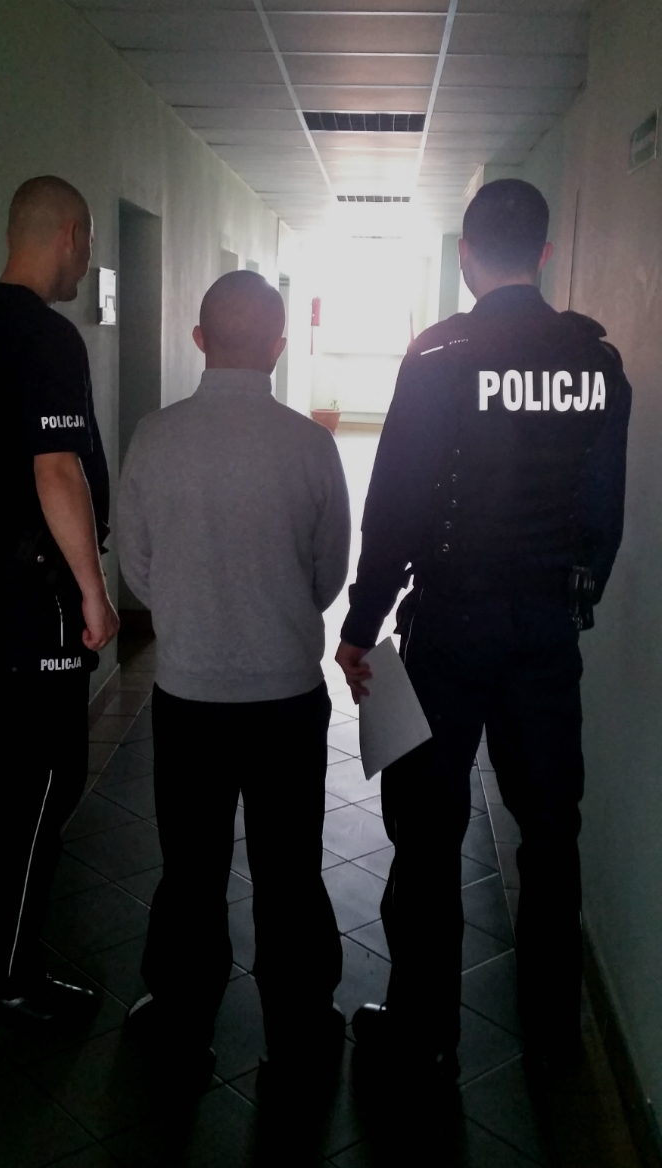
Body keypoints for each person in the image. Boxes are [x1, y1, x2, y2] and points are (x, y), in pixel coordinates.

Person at [336, 179, 632, 1079]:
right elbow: (603, 513)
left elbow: (396, 505)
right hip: (544, 629)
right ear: (543, 254)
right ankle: (552, 1037)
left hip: (449, 627)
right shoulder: (596, 365)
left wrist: (361, 620)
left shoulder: (437, 357)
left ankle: (425, 1032)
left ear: (466, 255)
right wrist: (573, 596)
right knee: (550, 829)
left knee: (428, 831)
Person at [117, 270, 351, 1084]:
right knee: (290, 871)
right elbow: (329, 574)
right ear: (280, 348)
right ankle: (300, 1027)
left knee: (191, 870)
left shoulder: (154, 437)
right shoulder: (312, 445)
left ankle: (181, 1021)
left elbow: (138, 570)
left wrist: (195, 614)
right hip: (288, 696)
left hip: (189, 695)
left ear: (198, 341)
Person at [0, 176, 120, 1019]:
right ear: (70, 234)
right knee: (46, 775)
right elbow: (56, 471)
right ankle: (8, 974)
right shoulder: (45, 336)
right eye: (88, 243)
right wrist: (93, 594)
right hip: (32, 598)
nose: (86, 260)